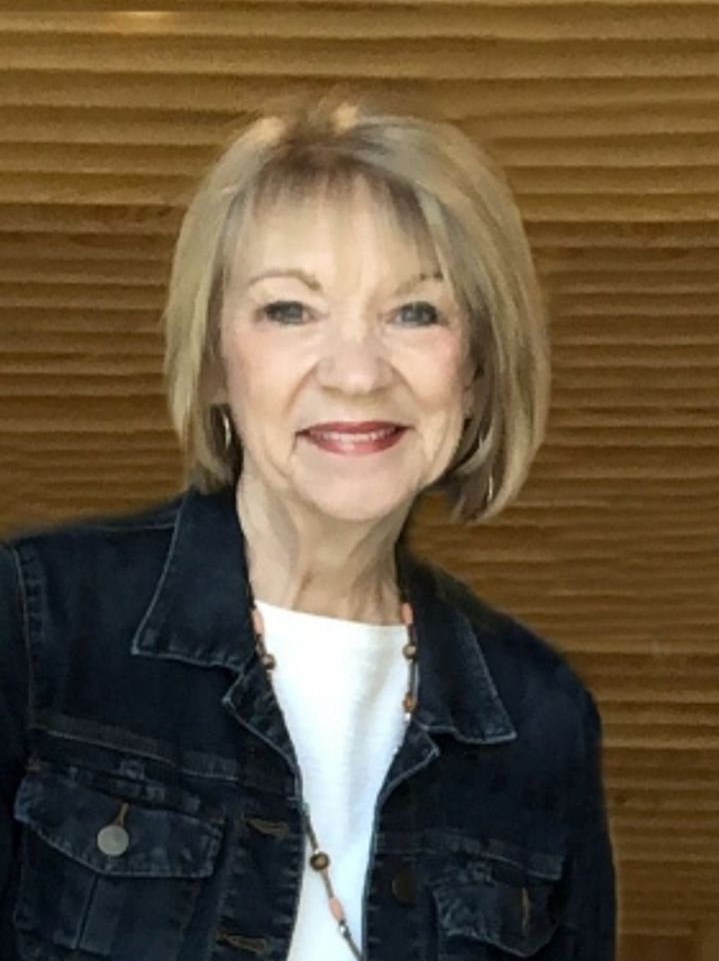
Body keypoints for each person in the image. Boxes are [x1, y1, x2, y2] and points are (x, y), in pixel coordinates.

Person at [0, 89, 616, 960]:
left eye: (415, 312)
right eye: (289, 310)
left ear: (476, 371)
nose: (356, 374)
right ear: (216, 362)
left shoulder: (537, 719)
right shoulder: (39, 629)